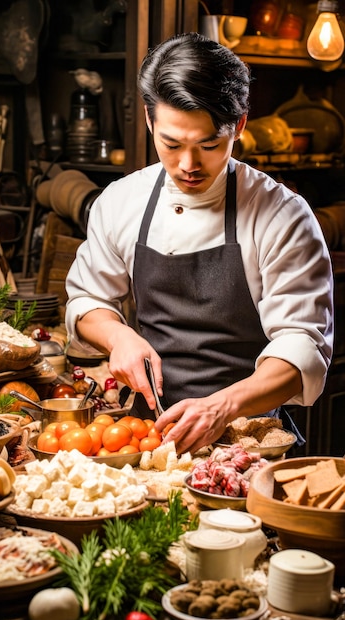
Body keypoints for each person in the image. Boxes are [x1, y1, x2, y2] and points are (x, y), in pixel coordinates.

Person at [65, 32, 333, 455]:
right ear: (151, 121)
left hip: (248, 439)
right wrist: (117, 336)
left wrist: (222, 407)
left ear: (239, 125)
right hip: (149, 436)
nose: (188, 165)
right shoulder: (121, 202)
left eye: (209, 145)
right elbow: (86, 301)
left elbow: (303, 348)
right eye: (171, 144)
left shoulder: (283, 216)